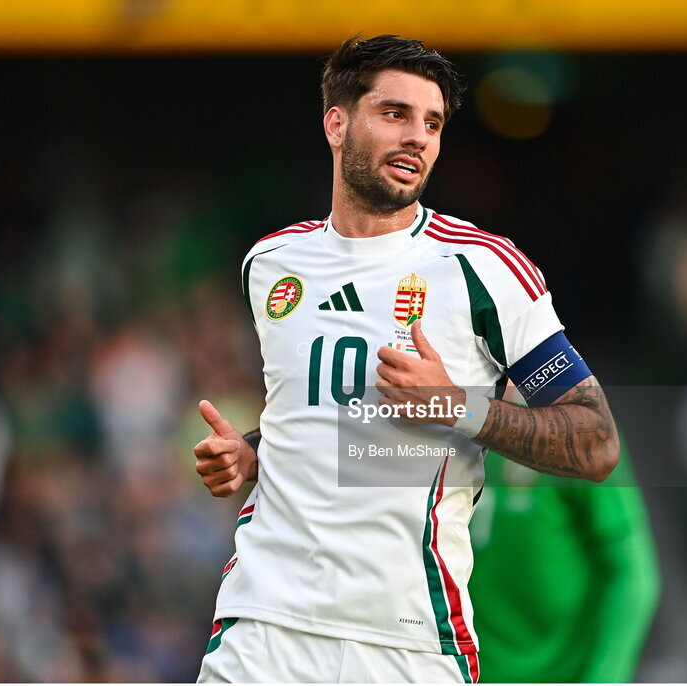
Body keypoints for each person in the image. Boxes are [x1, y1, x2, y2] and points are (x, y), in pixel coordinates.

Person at [193, 34, 619, 683]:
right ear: (337, 123)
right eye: (395, 114)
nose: (418, 136)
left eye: (433, 122)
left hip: (407, 643)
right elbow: (322, 408)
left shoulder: (485, 270)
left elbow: (595, 444)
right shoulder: (271, 263)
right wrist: (258, 450)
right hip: (263, 625)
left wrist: (458, 406)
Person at [469, 445, 660, 683]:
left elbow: (632, 573)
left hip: (564, 673)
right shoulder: (436, 428)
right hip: (464, 671)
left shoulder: (578, 431)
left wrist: (603, 678)